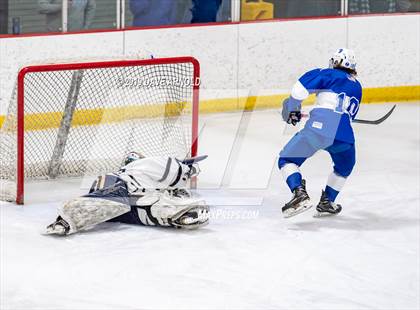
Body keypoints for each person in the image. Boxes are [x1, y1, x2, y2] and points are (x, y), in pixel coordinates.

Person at [279, 48, 362, 218]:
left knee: (287, 159)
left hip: (319, 130)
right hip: (345, 137)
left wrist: (293, 108)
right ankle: (327, 202)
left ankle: (299, 193)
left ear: (336, 62)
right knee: (343, 168)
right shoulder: (357, 86)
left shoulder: (328, 74)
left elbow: (298, 90)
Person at [46, 152, 209, 235]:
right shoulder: (124, 173)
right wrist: (183, 168)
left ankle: (176, 214)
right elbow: (166, 168)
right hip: (116, 189)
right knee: (120, 200)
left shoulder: (142, 178)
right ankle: (67, 219)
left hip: (124, 204)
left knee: (147, 209)